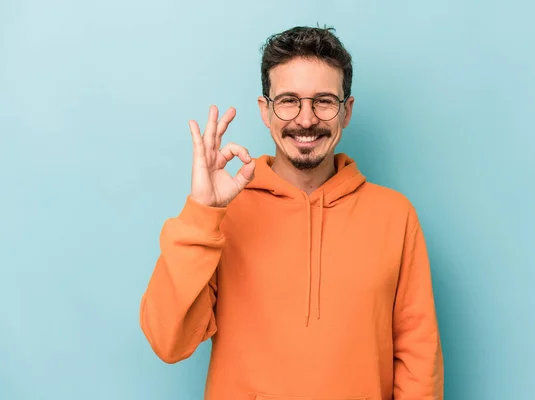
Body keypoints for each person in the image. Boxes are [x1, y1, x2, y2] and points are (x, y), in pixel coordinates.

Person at [140, 25, 444, 400]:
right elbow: (168, 341)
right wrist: (203, 213)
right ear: (265, 111)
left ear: (346, 111)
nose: (305, 119)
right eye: (288, 100)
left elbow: (418, 358)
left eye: (324, 101)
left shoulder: (395, 216)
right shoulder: (224, 215)